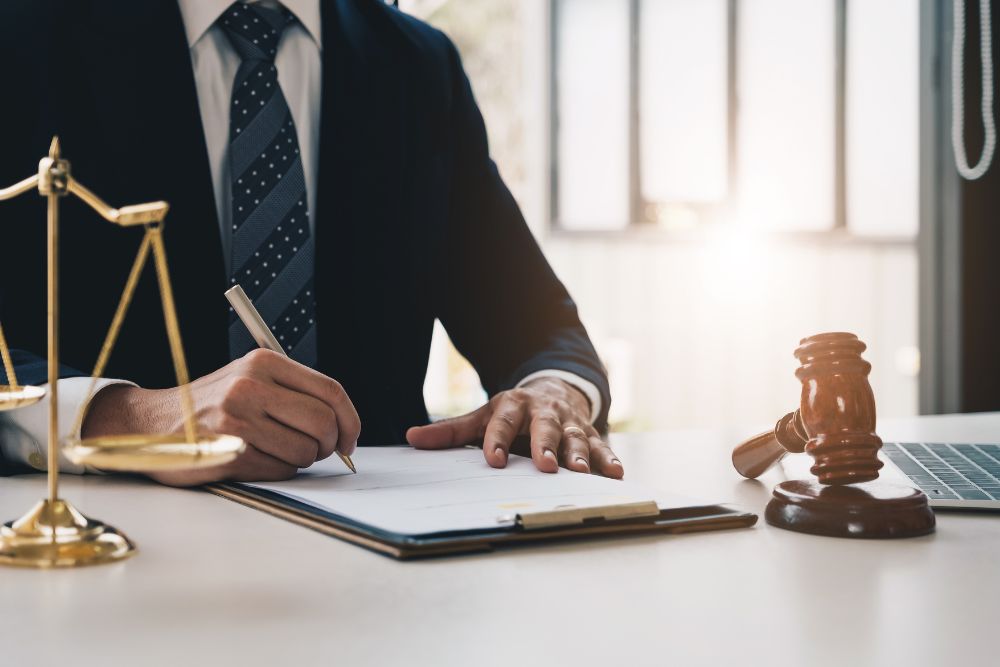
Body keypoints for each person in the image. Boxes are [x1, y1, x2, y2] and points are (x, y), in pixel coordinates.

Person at [0, 0, 620, 485]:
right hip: (109, 577)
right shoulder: (23, 37)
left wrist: (554, 394)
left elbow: (541, 334)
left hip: (385, 576)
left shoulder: (418, 65)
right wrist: (133, 421)